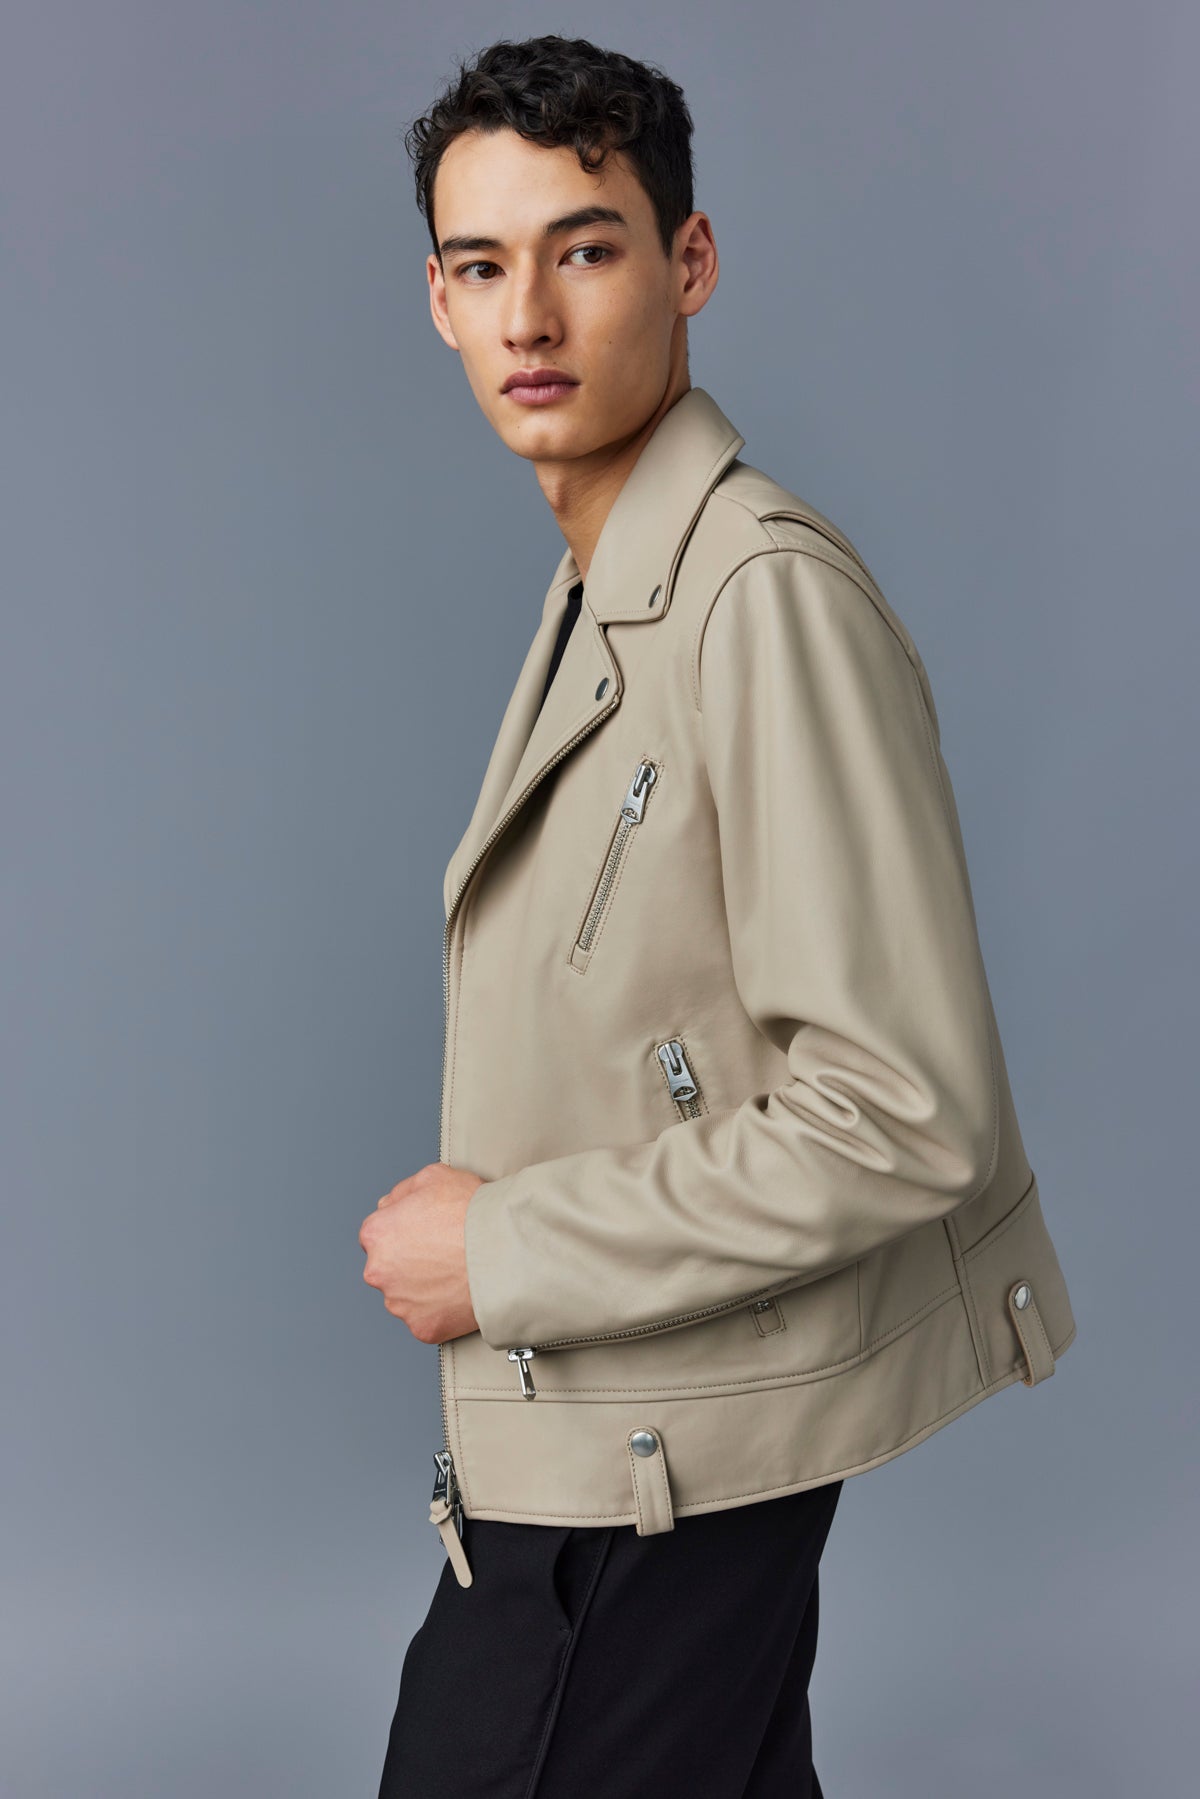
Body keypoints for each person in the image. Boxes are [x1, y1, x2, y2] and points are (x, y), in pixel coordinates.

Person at [359, 33, 1078, 1799]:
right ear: (437, 302)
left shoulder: (759, 599)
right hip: (632, 1455)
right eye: (482, 265)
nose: (531, 314)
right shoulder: (618, 590)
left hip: (649, 1482)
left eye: (586, 248)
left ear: (689, 263)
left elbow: (906, 1110)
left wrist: (501, 1251)